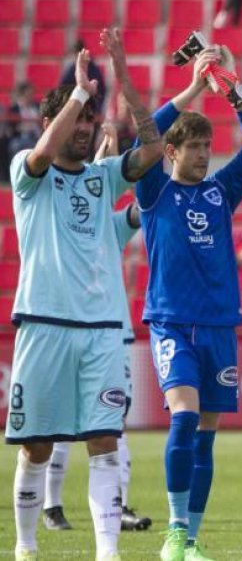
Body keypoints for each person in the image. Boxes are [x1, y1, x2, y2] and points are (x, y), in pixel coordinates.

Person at [7, 29, 164, 561]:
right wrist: (76, 93)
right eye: (79, 118)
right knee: (37, 446)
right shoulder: (30, 172)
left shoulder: (103, 178)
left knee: (104, 442)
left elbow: (155, 149)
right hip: (44, 323)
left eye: (92, 119)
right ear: (59, 121)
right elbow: (43, 151)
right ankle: (26, 547)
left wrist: (120, 74)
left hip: (100, 332)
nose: (87, 127)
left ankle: (107, 553)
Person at [136, 45, 242, 561]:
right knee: (184, 419)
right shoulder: (153, 192)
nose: (202, 154)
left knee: (208, 436)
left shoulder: (220, 192)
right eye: (192, 147)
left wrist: (234, 94)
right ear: (171, 153)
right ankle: (173, 531)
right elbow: (143, 134)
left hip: (219, 326)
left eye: (206, 146)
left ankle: (191, 539)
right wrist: (192, 89)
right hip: (171, 324)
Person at [41, 123, 156, 536]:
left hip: (112, 332)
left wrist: (157, 176)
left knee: (113, 423)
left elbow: (142, 209)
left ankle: (118, 504)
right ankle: (52, 506)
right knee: (57, 422)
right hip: (65, 328)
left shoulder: (110, 221)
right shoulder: (57, 215)